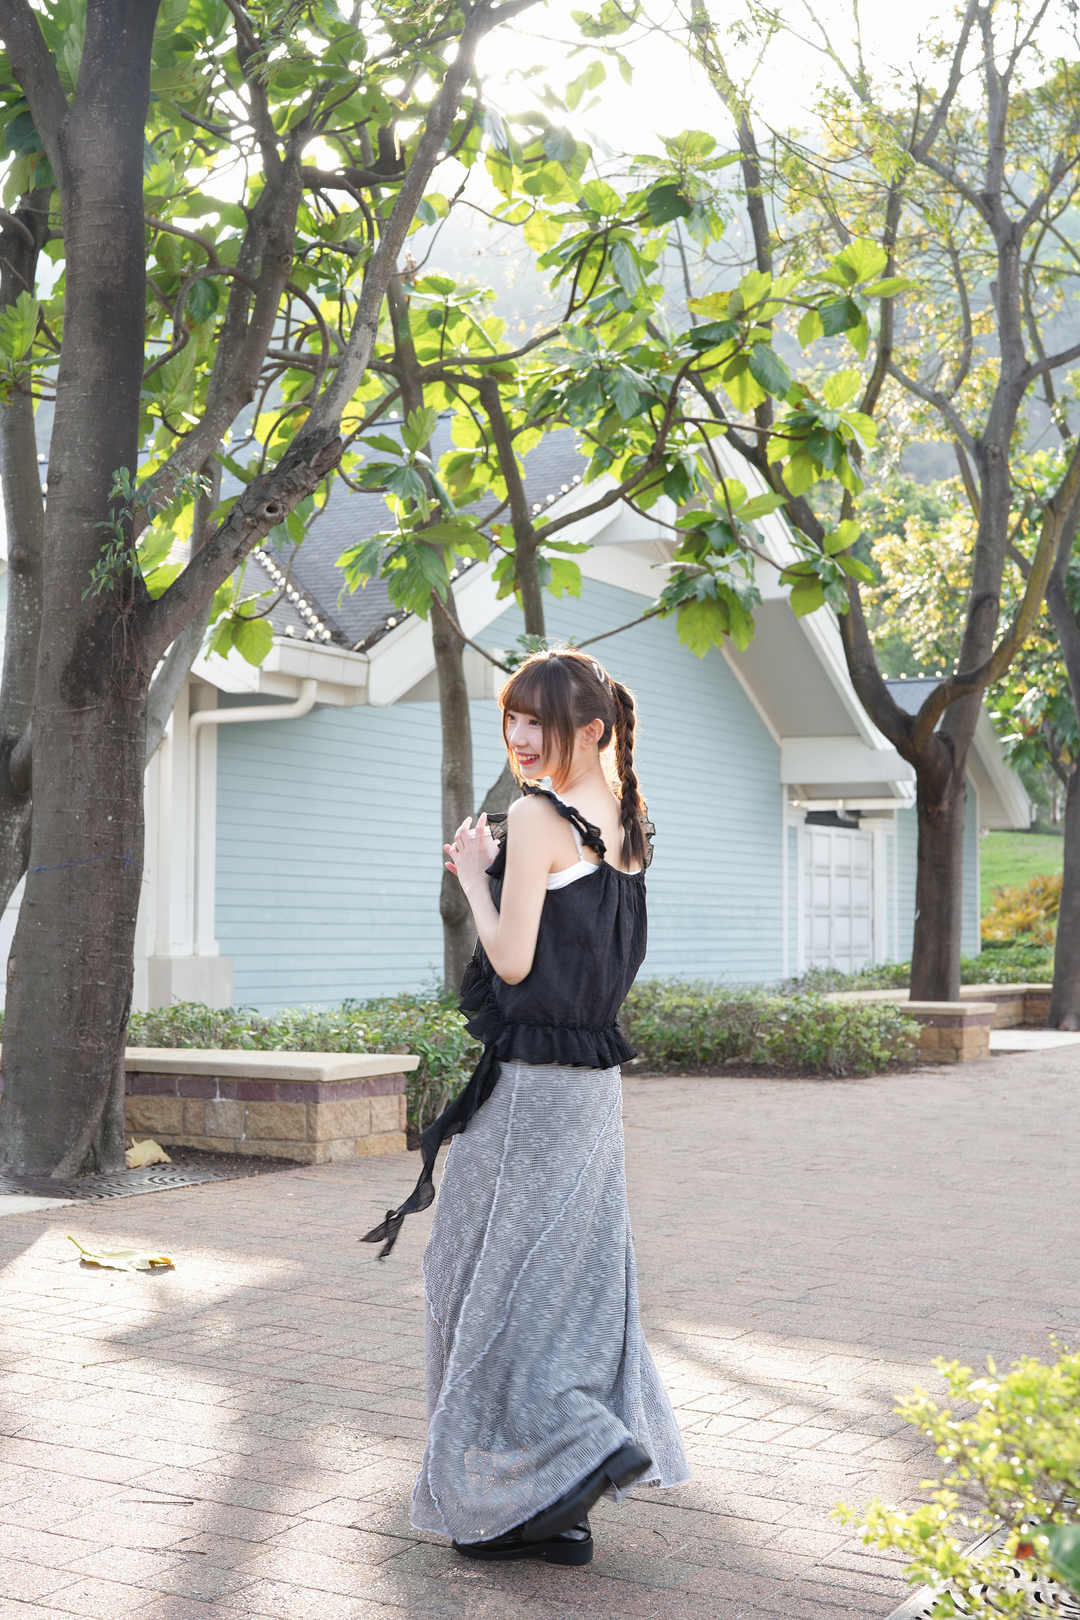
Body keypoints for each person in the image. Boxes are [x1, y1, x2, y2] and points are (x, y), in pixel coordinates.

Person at [363, 647, 689, 1567]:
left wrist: (474, 871)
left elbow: (511, 961)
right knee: (568, 1278)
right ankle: (559, 1503)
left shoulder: (539, 817)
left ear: (591, 730)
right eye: (511, 718)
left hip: (535, 1091)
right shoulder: (627, 822)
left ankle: (560, 1456)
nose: (519, 737)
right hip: (592, 1090)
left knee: (474, 1275)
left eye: (537, 722)